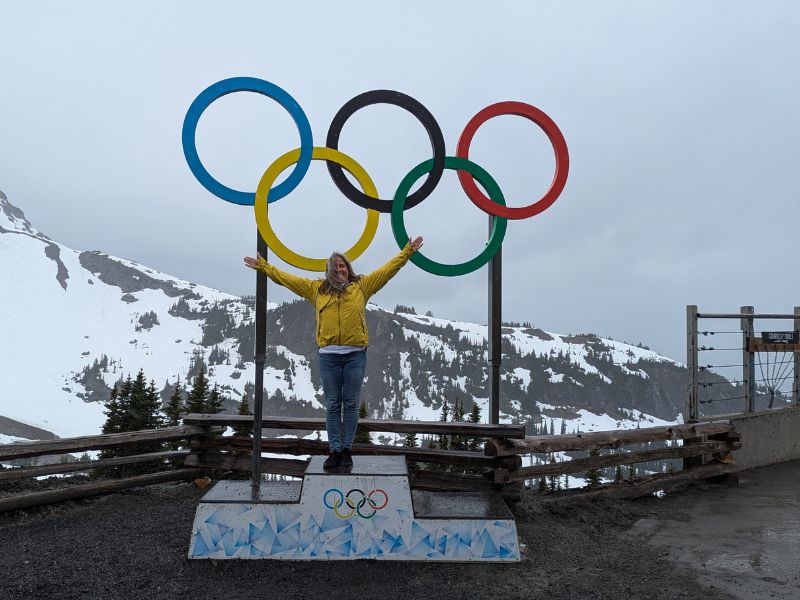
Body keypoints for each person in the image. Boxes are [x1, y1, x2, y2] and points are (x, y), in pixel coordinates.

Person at [244, 236, 423, 469]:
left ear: (348, 269)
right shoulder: (316, 290)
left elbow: (387, 270)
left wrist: (407, 251)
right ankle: (334, 450)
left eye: (343, 266)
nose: (340, 269)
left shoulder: (362, 287)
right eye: (336, 267)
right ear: (329, 271)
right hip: (328, 355)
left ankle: (346, 450)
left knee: (349, 403)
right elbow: (286, 279)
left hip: (355, 354)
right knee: (331, 404)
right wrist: (265, 267)